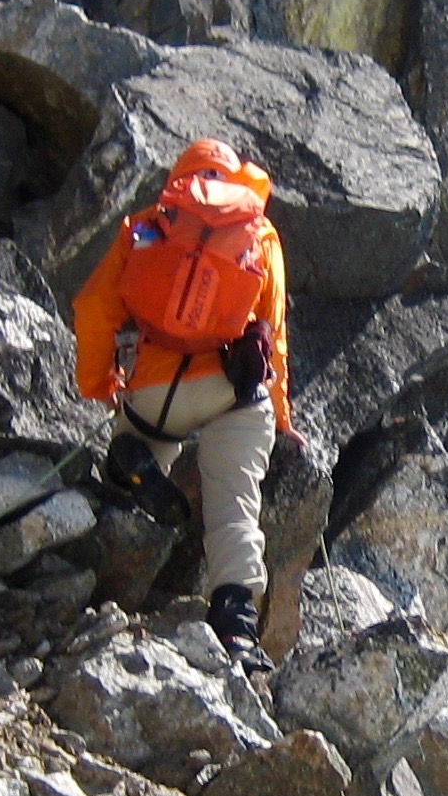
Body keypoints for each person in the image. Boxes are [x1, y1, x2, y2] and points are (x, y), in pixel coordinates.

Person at [71, 137, 299, 667]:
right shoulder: (259, 237)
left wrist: (99, 384)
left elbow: (93, 310)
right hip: (229, 394)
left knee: (138, 441)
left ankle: (133, 464)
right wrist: (281, 416)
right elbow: (275, 339)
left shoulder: (148, 226)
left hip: (154, 391)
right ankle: (236, 626)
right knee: (235, 500)